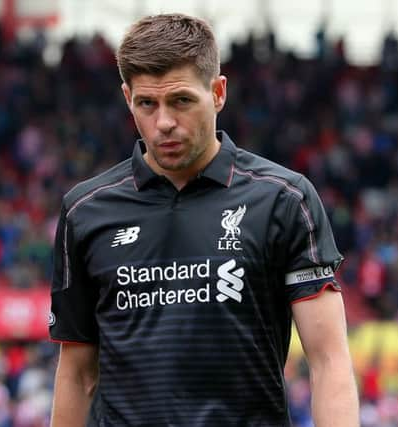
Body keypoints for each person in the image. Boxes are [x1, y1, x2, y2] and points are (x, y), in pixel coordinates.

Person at [49, 13, 359, 427]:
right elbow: (77, 374)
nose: (164, 123)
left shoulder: (284, 200)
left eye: (181, 100)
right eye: (147, 103)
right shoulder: (85, 211)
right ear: (127, 98)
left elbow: (328, 361)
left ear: (217, 92)